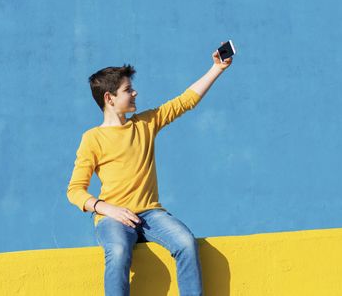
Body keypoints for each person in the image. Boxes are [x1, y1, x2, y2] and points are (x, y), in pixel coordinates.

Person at [66, 46, 233, 296]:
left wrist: (216, 68)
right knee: (119, 252)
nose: (135, 92)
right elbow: (75, 190)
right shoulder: (93, 139)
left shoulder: (145, 123)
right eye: (127, 90)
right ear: (109, 98)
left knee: (186, 243)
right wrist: (107, 208)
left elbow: (185, 101)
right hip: (113, 218)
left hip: (150, 215)